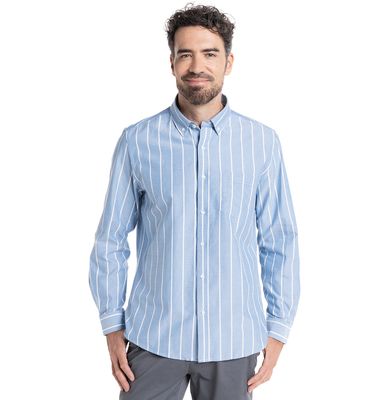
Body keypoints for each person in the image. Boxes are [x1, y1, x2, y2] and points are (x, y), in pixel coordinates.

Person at [88, 3, 300, 399]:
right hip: (153, 339)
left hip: (234, 341)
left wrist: (278, 329)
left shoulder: (261, 143)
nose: (196, 66)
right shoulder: (137, 141)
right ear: (171, 63)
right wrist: (112, 326)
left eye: (209, 54)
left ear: (228, 62)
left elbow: (280, 241)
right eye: (185, 54)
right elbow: (110, 240)